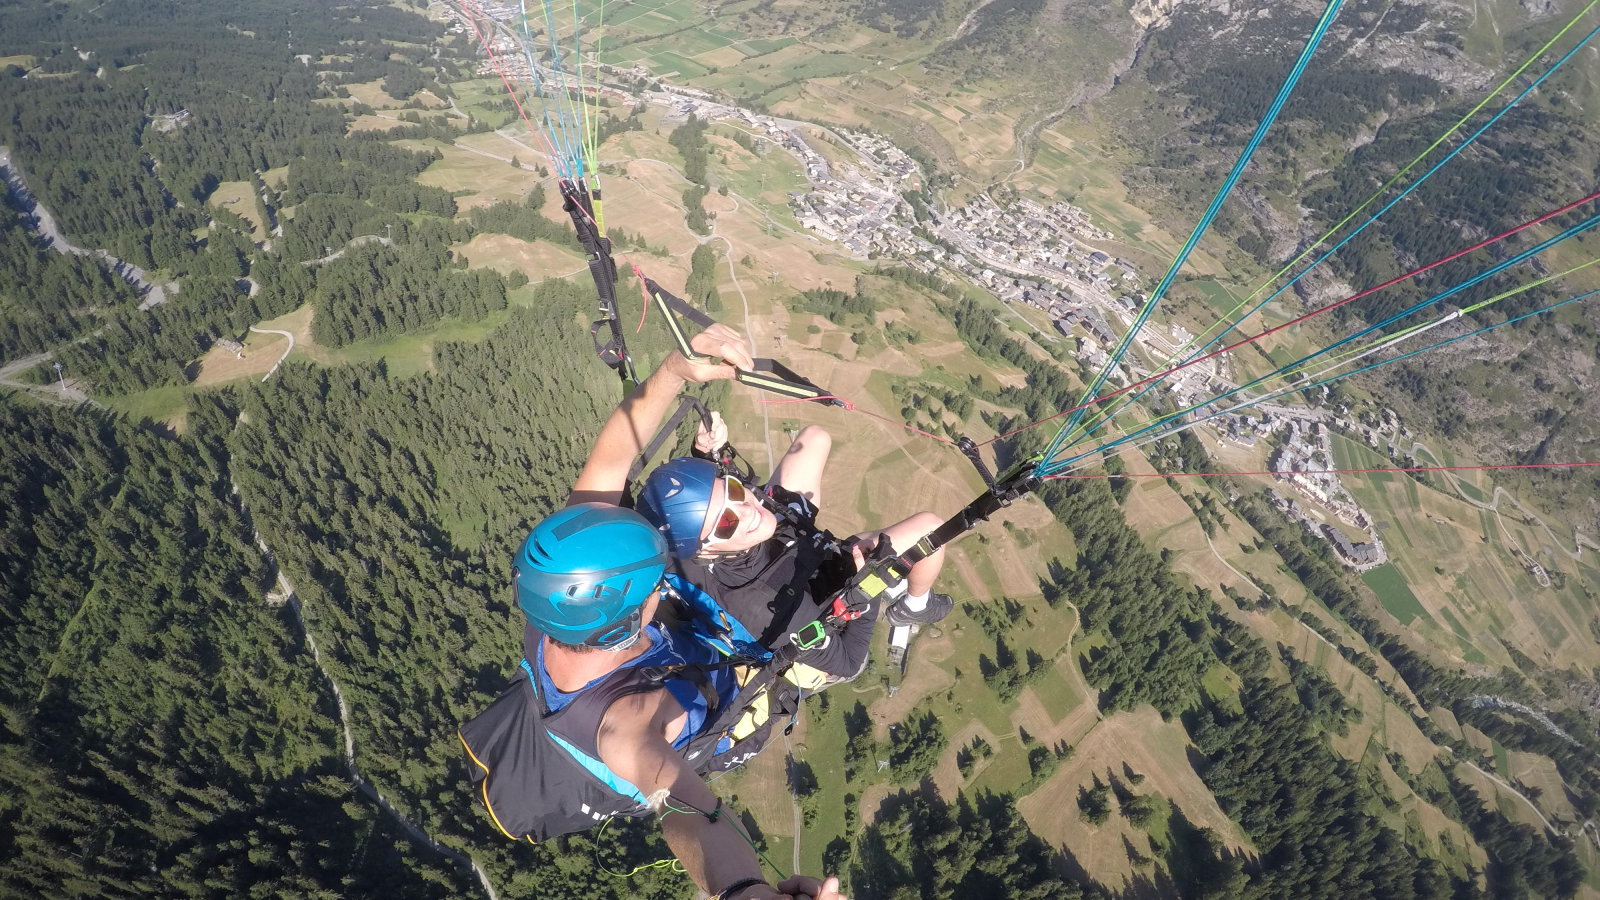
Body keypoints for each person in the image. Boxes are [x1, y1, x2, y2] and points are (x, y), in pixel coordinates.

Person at [463, 326, 848, 900]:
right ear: (626, 622)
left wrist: (674, 371)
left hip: (677, 657)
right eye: (654, 583)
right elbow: (686, 812)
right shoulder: (622, 729)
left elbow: (611, 459)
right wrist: (746, 893)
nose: (663, 579)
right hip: (714, 711)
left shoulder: (566, 594)